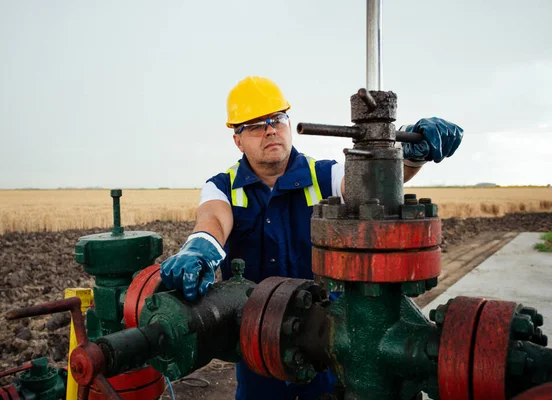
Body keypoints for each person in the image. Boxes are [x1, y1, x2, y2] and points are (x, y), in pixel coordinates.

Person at [160, 76, 464, 399]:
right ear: (237, 139)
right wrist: (200, 248)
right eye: (255, 125)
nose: (270, 130)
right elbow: (212, 219)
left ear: (288, 123)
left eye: (277, 119)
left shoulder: (323, 175)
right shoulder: (223, 186)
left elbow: (366, 184)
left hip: (327, 346)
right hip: (259, 354)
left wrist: (410, 156)